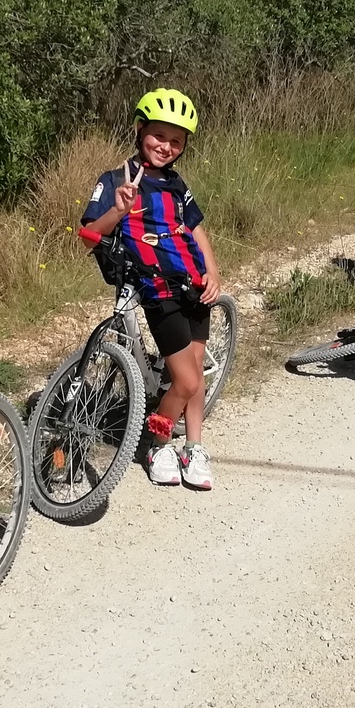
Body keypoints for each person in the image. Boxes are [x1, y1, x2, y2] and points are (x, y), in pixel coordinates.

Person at [82, 89, 222, 490]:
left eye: (176, 140)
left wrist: (213, 272)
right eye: (159, 135)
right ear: (140, 131)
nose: (166, 146)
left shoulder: (177, 184)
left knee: (195, 370)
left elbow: (195, 227)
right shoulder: (115, 180)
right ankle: (159, 445)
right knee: (187, 381)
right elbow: (89, 236)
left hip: (194, 284)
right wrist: (118, 209)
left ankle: (193, 446)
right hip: (157, 289)